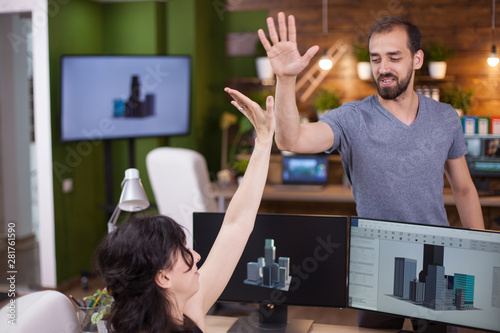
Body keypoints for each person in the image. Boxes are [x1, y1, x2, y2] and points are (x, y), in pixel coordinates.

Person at [258, 12, 484, 329]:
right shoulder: (351, 117)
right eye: (376, 59)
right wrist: (284, 79)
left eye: (394, 57)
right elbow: (290, 139)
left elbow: (463, 189)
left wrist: (481, 252)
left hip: (436, 260)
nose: (384, 68)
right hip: (377, 263)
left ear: (417, 59)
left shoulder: (445, 117)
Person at [94, 88, 275, 333]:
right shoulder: (189, 308)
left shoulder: (185, 308)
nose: (197, 256)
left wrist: (263, 141)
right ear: (164, 278)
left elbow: (237, 225)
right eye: (184, 253)